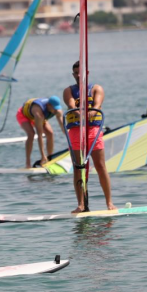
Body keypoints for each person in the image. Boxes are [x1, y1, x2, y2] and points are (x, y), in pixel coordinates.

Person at [63, 60, 113, 213]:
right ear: (73, 75)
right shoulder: (68, 91)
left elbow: (97, 105)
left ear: (87, 73)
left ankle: (109, 203)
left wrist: (92, 112)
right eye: (76, 73)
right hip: (76, 131)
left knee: (100, 166)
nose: (79, 75)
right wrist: (79, 113)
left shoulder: (96, 88)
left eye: (81, 72)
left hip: (93, 130)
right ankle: (81, 204)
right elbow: (71, 105)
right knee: (79, 168)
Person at [16, 95, 64, 169]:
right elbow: (40, 135)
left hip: (39, 116)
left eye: (57, 108)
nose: (55, 110)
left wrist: (71, 142)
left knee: (50, 133)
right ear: (48, 105)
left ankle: (50, 158)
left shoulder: (57, 111)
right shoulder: (38, 113)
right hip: (24, 115)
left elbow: (63, 127)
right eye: (54, 108)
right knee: (31, 134)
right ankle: (28, 162)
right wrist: (42, 155)